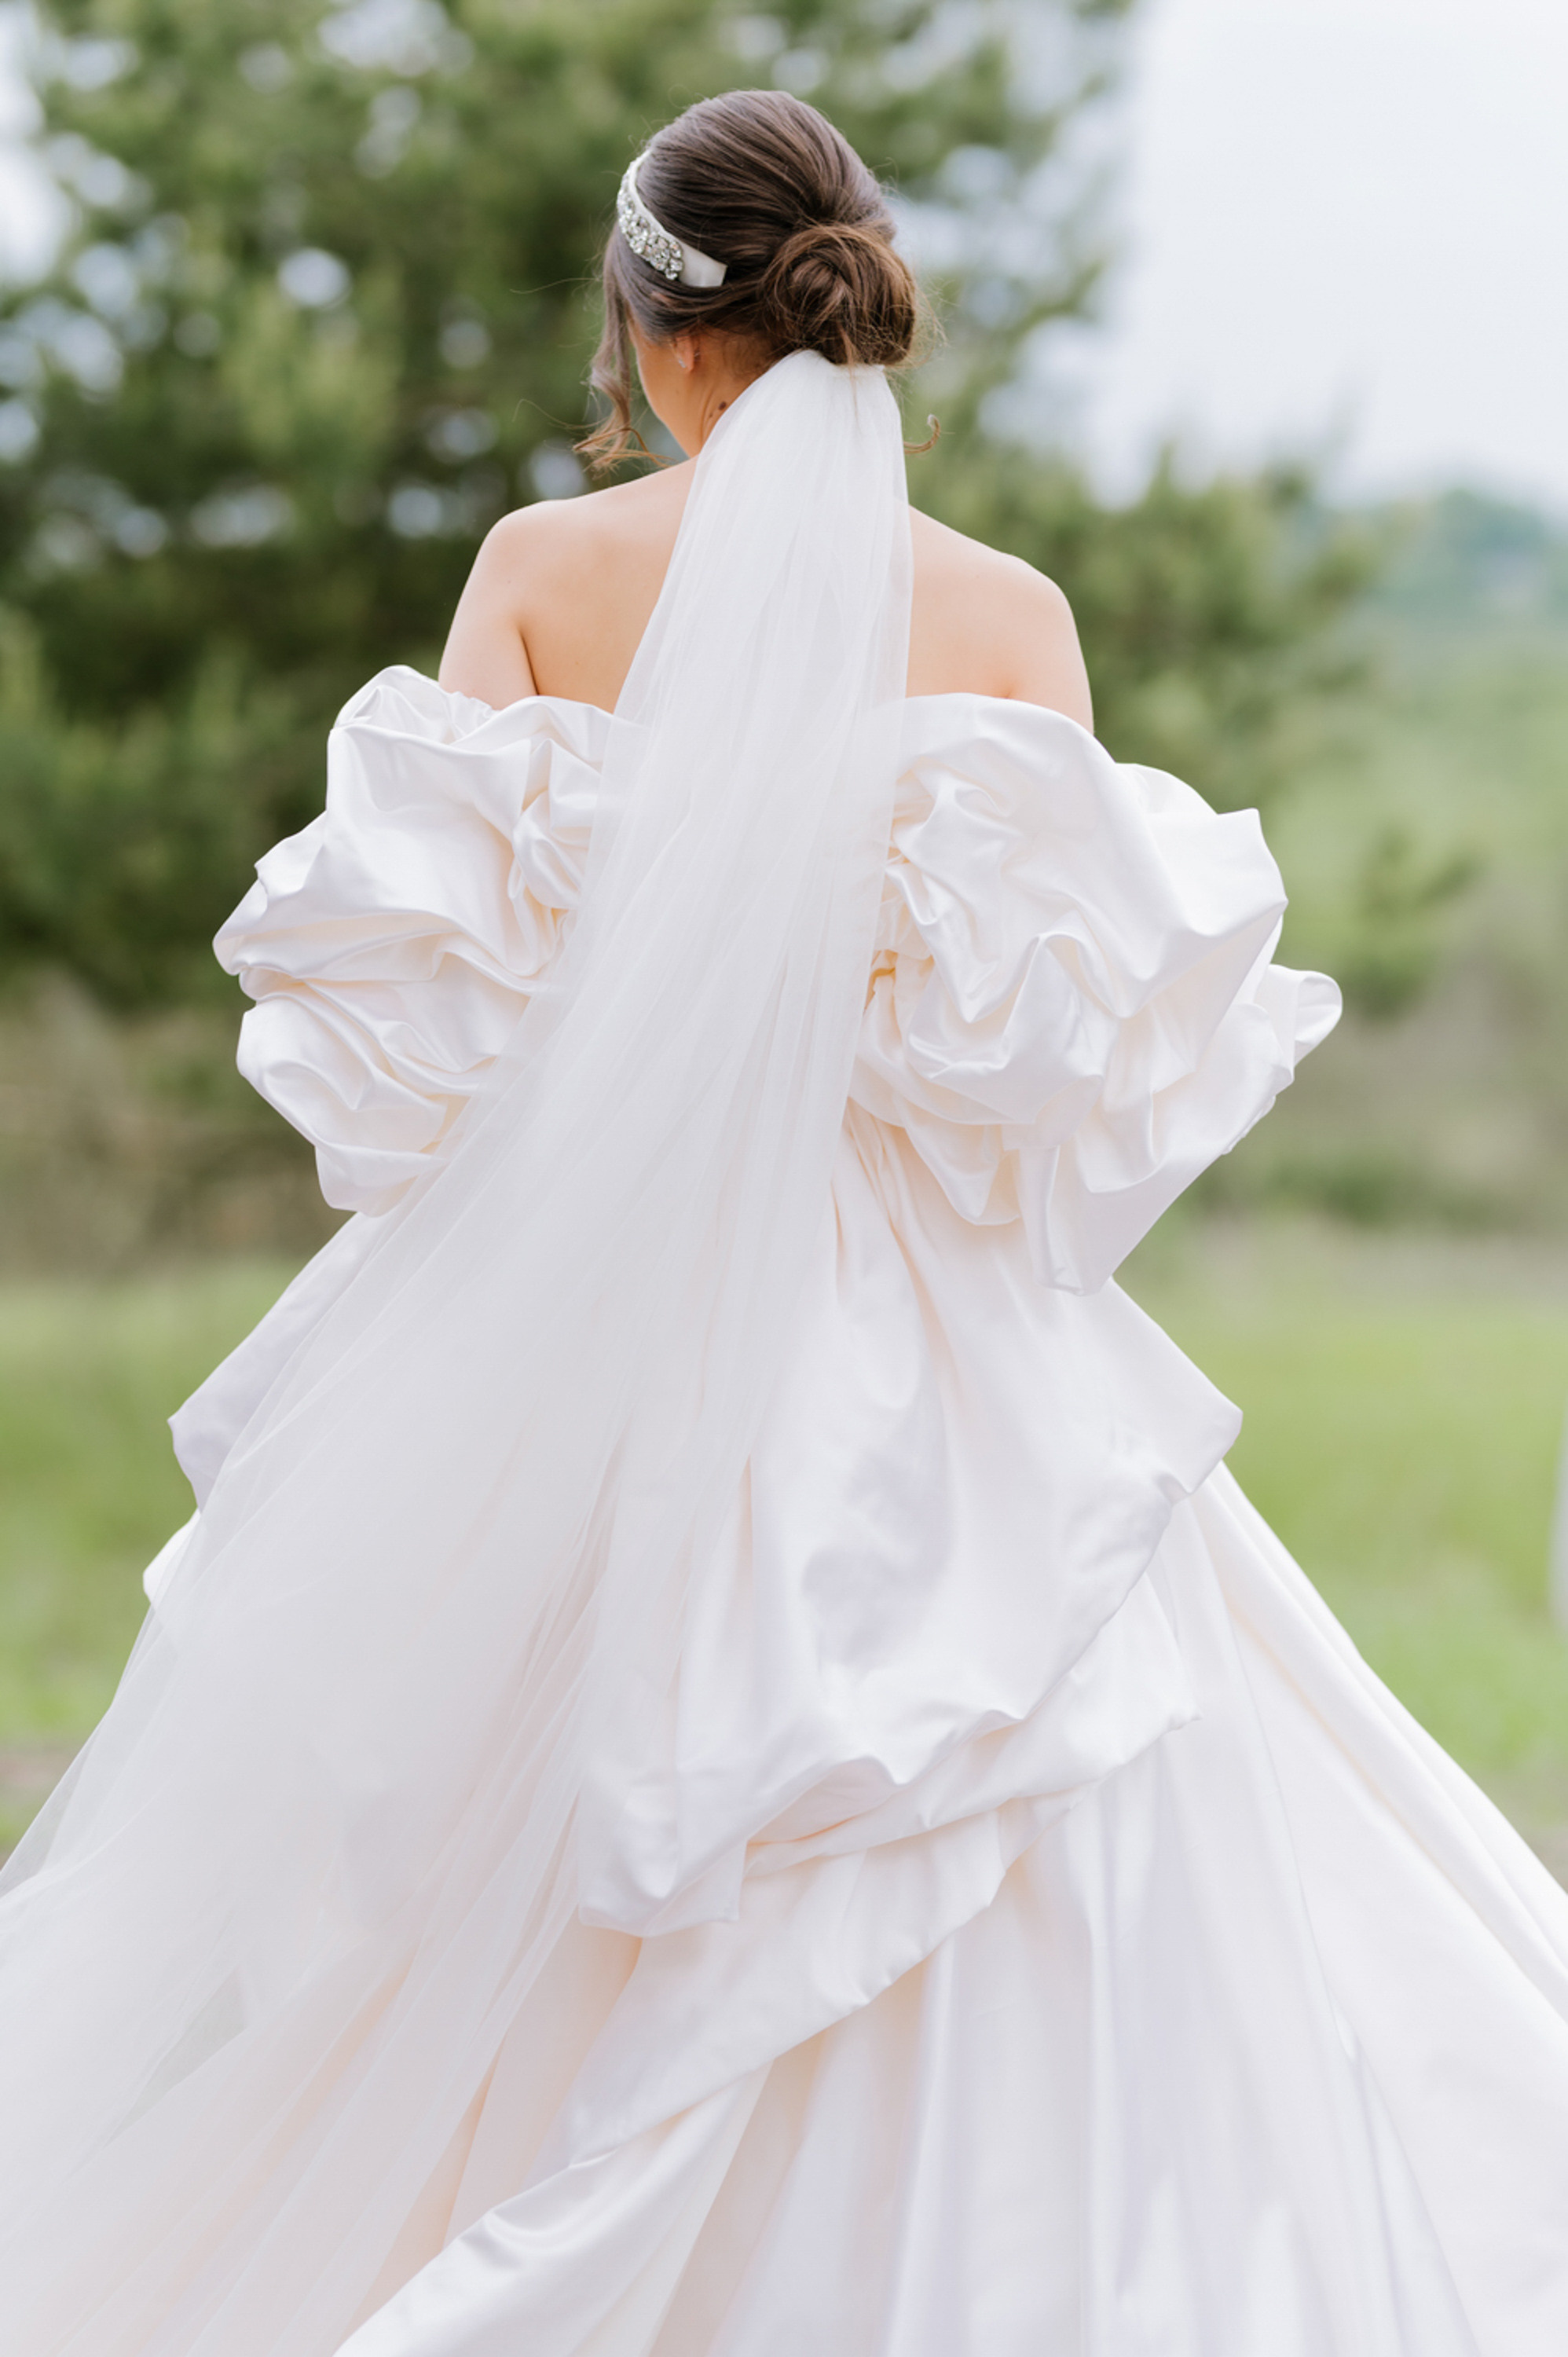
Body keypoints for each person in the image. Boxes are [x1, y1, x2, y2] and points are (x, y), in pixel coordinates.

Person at [1, 86, 1566, 2357]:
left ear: (649, 335)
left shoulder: (546, 578)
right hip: (926, 1334)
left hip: (578, 1323)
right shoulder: (1010, 618)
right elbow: (1062, 1088)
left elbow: (410, 1047)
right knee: (1014, 1766)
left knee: (502, 1832)